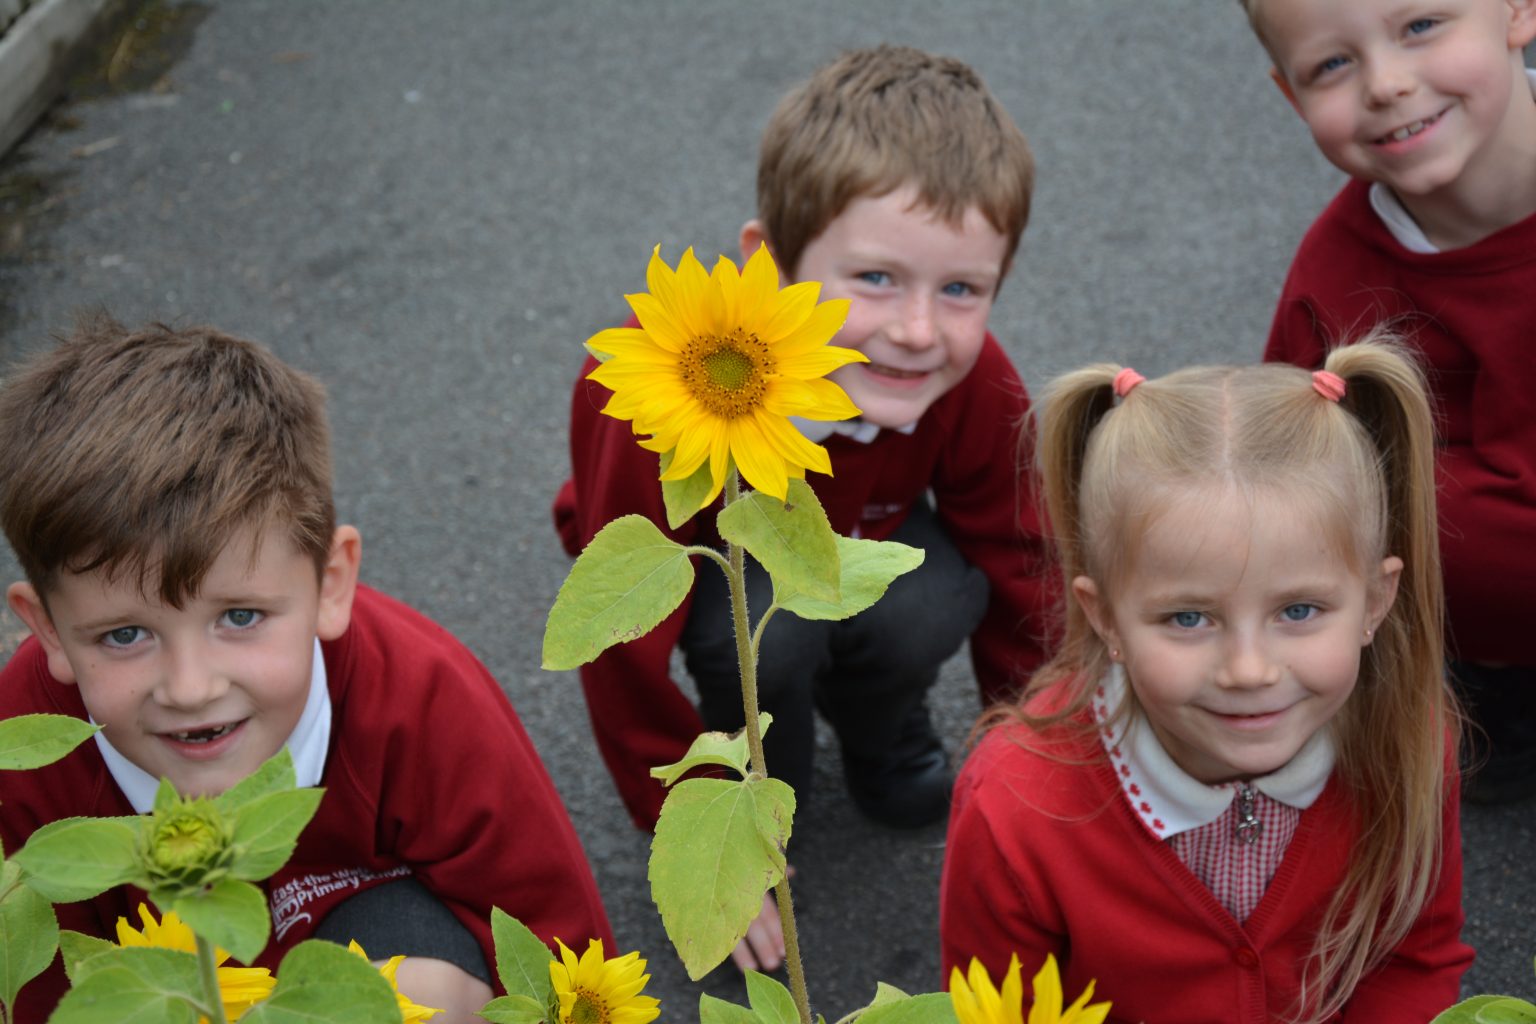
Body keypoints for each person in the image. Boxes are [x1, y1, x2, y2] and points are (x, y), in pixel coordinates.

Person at [553, 43, 1050, 970]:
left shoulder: (972, 383)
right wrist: (699, 833)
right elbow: (616, 629)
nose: (915, 329)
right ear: (771, 262)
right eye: (875, 278)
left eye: (960, 290)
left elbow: (1024, 563)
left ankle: (878, 726)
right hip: (706, 572)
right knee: (764, 640)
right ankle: (751, 774)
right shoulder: (648, 386)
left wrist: (1028, 766)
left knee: (939, 595)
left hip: (860, 544)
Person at [0, 318, 613, 1022]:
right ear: (46, 626)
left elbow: (557, 941)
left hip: (371, 933)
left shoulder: (422, 695)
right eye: (126, 634)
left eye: (239, 617)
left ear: (330, 583)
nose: (192, 688)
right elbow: (32, 988)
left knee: (429, 999)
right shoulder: (21, 750)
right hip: (154, 993)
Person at [939, 341, 1472, 1023]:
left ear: (1374, 601)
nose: (1249, 670)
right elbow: (997, 1011)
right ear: (1105, 618)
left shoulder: (1409, 745)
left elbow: (1413, 960)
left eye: (1298, 611)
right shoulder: (1015, 807)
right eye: (1189, 617)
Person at [1238, 0, 1536, 804]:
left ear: (1516, 10)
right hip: (1482, 580)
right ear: (1292, 97)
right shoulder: (1337, 281)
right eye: (1333, 65)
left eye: (1421, 26)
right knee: (1348, 501)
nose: (1388, 84)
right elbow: (1286, 473)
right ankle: (1489, 689)